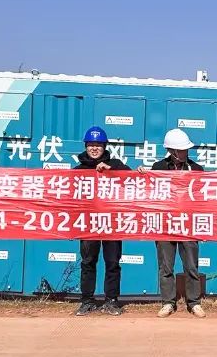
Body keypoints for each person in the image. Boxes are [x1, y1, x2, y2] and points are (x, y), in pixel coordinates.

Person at [138, 128, 206, 318]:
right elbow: (148, 192)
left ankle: (194, 303)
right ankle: (168, 302)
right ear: (171, 151)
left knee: (191, 266)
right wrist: (143, 174)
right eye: (181, 149)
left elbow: (203, 198)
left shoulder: (196, 169)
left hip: (188, 225)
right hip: (164, 225)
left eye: (186, 149)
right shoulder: (158, 167)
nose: (185, 152)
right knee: (166, 266)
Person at [73, 126, 130, 316]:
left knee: (112, 262)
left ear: (105, 146)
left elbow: (131, 179)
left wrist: (111, 170)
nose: (94, 148)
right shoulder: (78, 170)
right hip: (88, 223)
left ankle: (111, 301)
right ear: (86, 146)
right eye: (91, 144)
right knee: (88, 261)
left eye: (98, 145)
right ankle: (87, 301)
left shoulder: (115, 164)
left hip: (112, 223)